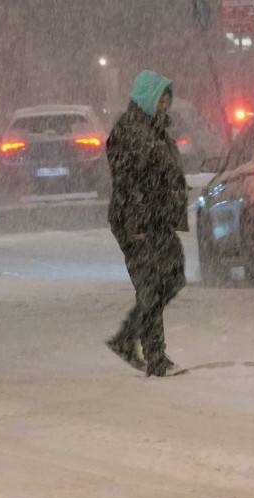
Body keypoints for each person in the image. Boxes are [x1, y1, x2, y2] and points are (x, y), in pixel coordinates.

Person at [104, 70, 189, 377]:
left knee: (174, 277)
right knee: (151, 288)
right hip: (137, 222)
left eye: (167, 98)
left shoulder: (155, 130)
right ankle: (156, 359)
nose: (165, 103)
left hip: (158, 219)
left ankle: (127, 338)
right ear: (146, 98)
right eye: (161, 97)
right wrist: (136, 225)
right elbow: (128, 183)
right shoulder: (129, 132)